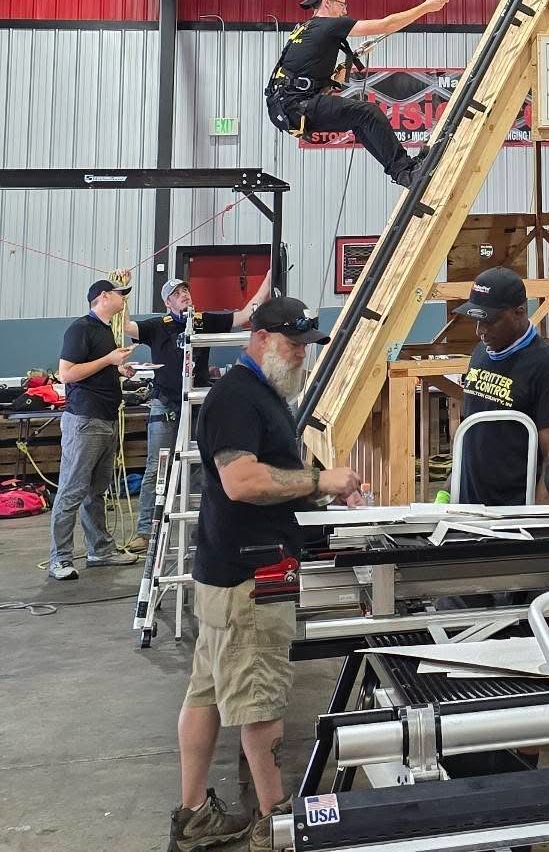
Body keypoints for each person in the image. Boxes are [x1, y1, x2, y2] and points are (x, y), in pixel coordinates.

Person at [171, 296, 362, 852]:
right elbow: (243, 482)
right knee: (261, 701)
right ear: (259, 338)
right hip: (250, 577)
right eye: (293, 344)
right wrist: (320, 483)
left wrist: (322, 488)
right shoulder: (238, 398)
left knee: (207, 693)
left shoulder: (264, 396)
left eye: (306, 346)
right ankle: (277, 822)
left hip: (228, 569)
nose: (301, 355)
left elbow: (272, 474)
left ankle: (193, 815)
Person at [125, 271, 272, 555]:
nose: (184, 295)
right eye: (177, 294)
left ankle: (199, 528)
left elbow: (244, 316)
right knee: (158, 467)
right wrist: (124, 299)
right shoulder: (157, 326)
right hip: (165, 403)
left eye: (186, 291)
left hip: (196, 403)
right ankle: (147, 530)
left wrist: (268, 277)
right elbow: (128, 327)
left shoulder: (204, 321)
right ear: (168, 302)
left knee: (199, 466)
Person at [264, 0, 449, 187]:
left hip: (286, 105)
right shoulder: (329, 25)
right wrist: (426, 7)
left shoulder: (305, 29)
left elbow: (328, 83)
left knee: (360, 119)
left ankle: (403, 171)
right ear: (327, 3)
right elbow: (387, 25)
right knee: (368, 112)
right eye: (342, 4)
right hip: (296, 104)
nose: (345, 10)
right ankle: (405, 171)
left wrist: (354, 57)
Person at [452, 268, 549, 505]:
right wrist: (448, 491)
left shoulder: (548, 366)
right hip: (469, 508)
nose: (481, 332)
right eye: (477, 321)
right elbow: (471, 435)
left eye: (490, 321)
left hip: (513, 512)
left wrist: (537, 521)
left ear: (519, 313)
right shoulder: (480, 354)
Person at [48, 278, 139, 579]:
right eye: (119, 293)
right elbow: (67, 374)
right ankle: (59, 558)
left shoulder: (103, 331)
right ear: (103, 296)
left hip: (105, 419)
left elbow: (96, 368)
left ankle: (99, 549)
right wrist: (108, 360)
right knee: (72, 491)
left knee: (96, 491)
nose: (123, 298)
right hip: (85, 421)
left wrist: (119, 368)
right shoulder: (80, 329)